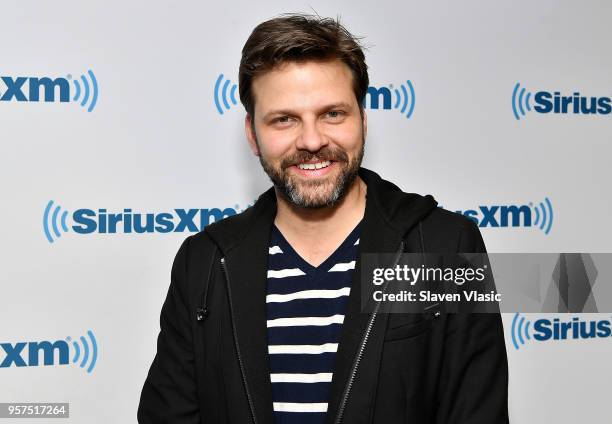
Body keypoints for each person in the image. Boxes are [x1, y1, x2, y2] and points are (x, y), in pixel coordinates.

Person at [138, 13, 508, 424]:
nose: (312, 141)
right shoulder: (204, 263)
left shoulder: (444, 248)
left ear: (363, 121)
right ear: (252, 134)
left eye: (332, 114)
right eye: (284, 119)